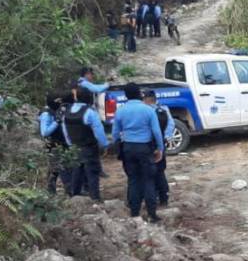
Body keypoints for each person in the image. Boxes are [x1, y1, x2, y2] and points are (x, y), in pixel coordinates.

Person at [112, 83, 165, 221]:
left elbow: (115, 133)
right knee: (148, 180)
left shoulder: (120, 111)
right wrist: (160, 149)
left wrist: (118, 146)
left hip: (128, 148)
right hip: (145, 148)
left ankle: (135, 213)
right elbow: (156, 131)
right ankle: (152, 214)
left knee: (133, 180)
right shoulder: (148, 110)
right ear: (139, 94)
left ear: (126, 95)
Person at [62, 87, 108, 201]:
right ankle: (95, 198)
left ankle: (75, 196)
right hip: (89, 147)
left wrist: (70, 144)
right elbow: (99, 132)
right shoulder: (90, 112)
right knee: (92, 173)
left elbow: (65, 131)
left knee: (77, 171)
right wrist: (105, 145)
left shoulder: (66, 112)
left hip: (74, 147)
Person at [143, 89, 175, 206]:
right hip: (160, 144)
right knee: (160, 171)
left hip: (148, 145)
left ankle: (152, 197)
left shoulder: (145, 111)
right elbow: (171, 124)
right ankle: (164, 198)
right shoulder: (164, 109)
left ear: (146, 99)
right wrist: (165, 138)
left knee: (148, 174)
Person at [39, 92, 72, 194]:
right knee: (58, 168)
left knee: (63, 167)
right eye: (58, 101)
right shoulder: (46, 114)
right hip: (52, 144)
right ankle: (60, 191)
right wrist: (56, 122)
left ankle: (61, 190)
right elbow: (44, 132)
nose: (60, 103)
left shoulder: (56, 110)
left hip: (62, 142)